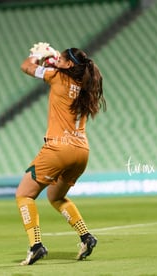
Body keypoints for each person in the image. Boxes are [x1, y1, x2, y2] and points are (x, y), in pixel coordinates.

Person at [16, 43, 106, 266]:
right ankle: (86, 236)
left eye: (61, 60)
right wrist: (55, 58)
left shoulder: (56, 76)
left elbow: (26, 67)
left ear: (67, 65)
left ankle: (36, 245)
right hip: (81, 151)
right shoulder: (85, 86)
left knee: (24, 194)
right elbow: (59, 69)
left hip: (59, 148)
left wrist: (37, 55)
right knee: (55, 197)